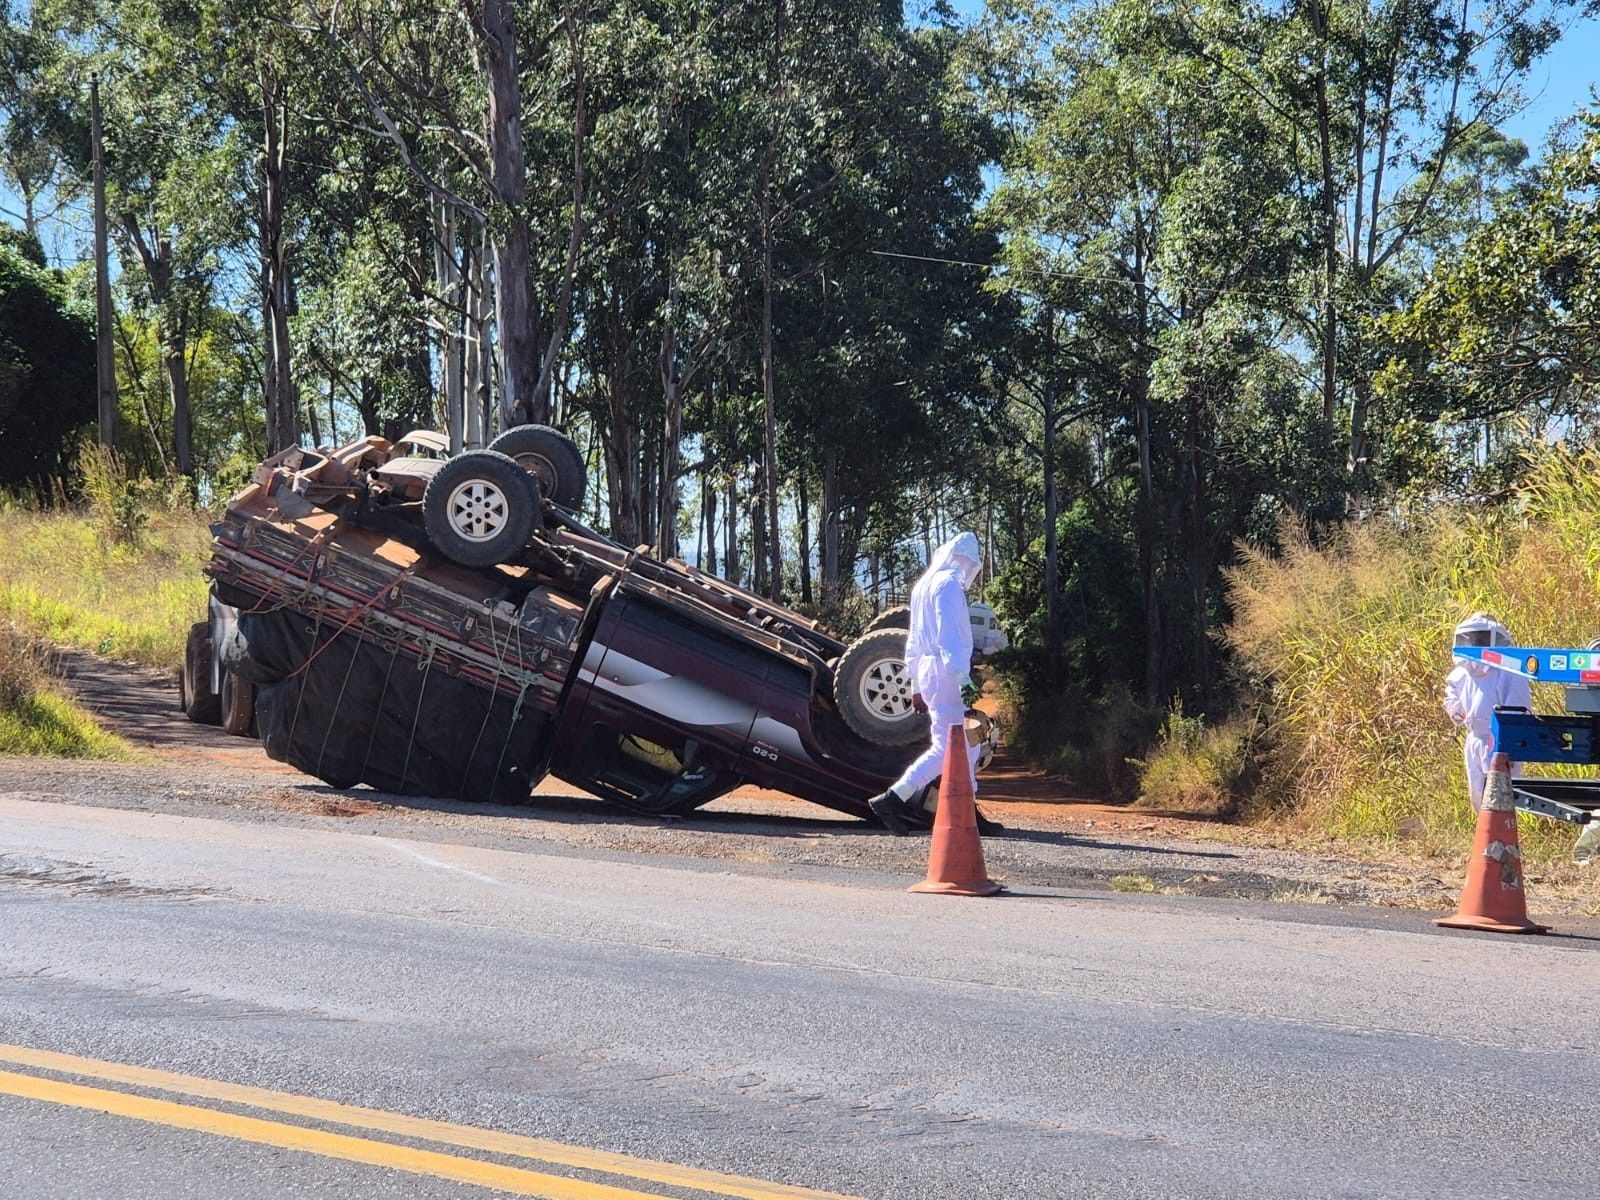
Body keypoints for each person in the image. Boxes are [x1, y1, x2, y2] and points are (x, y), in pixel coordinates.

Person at [868, 531, 989, 836]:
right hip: (946, 671)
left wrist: (916, 686)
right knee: (951, 745)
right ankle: (893, 798)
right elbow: (950, 637)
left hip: (928, 670)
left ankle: (968, 811)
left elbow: (913, 641)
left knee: (965, 745)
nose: (967, 567)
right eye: (967, 561)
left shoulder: (923, 585)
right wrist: (963, 678)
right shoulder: (948, 586)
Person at [1442, 611, 1532, 813]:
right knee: (1477, 796)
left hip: (1503, 742)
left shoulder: (1510, 672)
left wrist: (1510, 740)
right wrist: (1455, 709)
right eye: (1474, 638)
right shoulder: (1461, 672)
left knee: (1502, 798)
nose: (1477, 642)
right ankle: (1484, 839)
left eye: (1482, 637)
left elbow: (1518, 710)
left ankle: (1500, 841)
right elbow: (1451, 694)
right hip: (1475, 739)